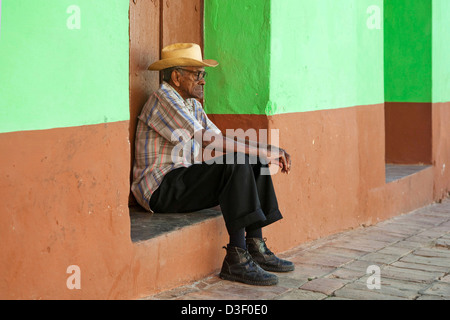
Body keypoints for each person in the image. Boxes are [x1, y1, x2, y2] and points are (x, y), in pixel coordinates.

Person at [132, 43, 294, 286]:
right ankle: (236, 259)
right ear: (176, 76)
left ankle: (254, 245)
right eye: (197, 74)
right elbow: (206, 139)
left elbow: (220, 140)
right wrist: (261, 148)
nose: (203, 81)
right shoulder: (163, 98)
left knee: (250, 159)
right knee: (237, 161)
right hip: (160, 190)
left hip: (182, 181)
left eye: (202, 75)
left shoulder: (192, 105)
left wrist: (263, 151)